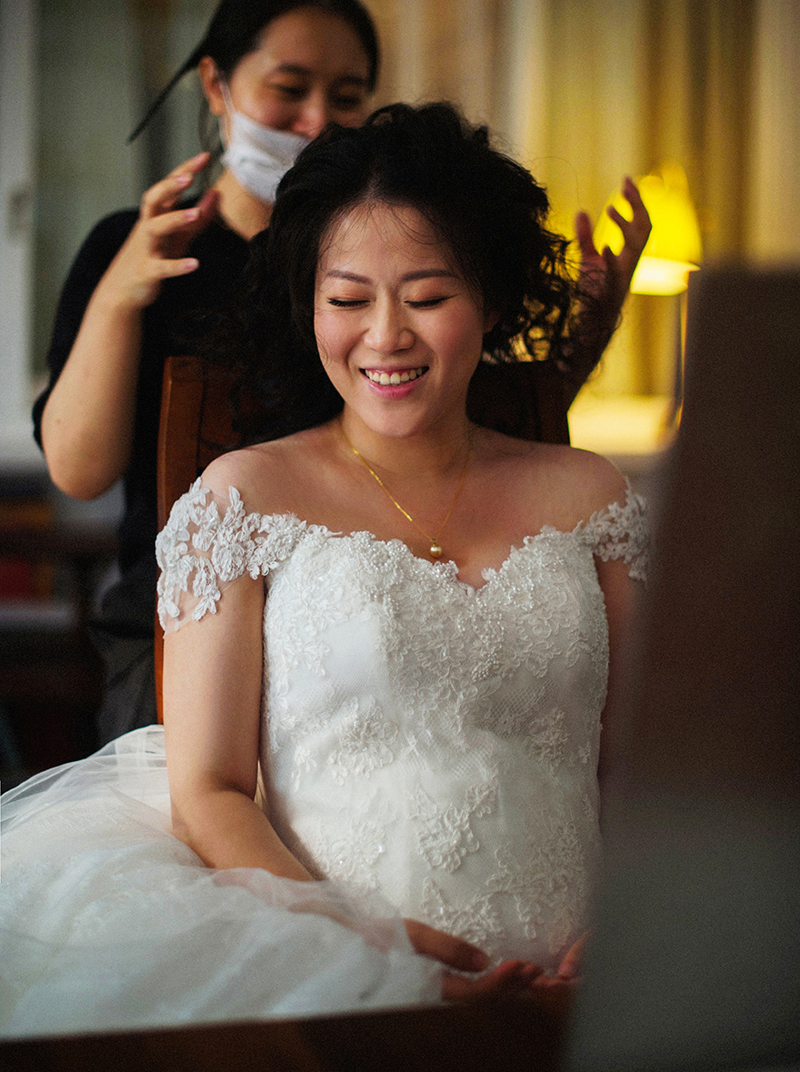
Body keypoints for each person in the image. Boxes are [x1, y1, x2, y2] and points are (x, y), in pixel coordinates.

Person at [1, 103, 648, 1035]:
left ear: (494, 301)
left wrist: (627, 925)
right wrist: (364, 950)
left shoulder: (592, 496)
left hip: (587, 987)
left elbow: (641, 769)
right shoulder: (243, 499)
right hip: (331, 973)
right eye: (347, 301)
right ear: (310, 308)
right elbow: (210, 792)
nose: (385, 336)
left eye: (427, 297)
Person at [33, 0, 651, 745]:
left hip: (391, 610)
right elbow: (80, 469)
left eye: (348, 96)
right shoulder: (142, 251)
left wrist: (584, 331)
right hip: (185, 622)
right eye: (289, 89)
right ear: (216, 85)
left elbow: (471, 425)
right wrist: (121, 292)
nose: (318, 119)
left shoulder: (416, 254)